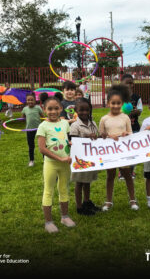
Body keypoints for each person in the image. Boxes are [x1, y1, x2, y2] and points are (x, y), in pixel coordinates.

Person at [37, 93, 75, 233]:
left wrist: (71, 144)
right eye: (50, 109)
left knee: (64, 189)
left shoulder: (64, 123)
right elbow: (42, 149)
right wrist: (59, 159)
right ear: (44, 109)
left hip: (65, 164)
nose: (53, 112)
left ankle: (64, 217)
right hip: (51, 164)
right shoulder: (43, 126)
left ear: (61, 109)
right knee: (48, 191)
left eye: (56, 108)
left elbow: (65, 139)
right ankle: (48, 222)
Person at [99, 84, 139, 211]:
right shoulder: (104, 119)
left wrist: (126, 134)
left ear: (122, 104)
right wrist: (108, 136)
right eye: (113, 103)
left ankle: (132, 200)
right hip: (110, 153)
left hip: (124, 152)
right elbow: (101, 136)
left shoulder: (125, 117)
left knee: (127, 175)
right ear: (108, 103)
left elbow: (131, 133)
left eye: (118, 103)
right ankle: (109, 201)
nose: (116, 106)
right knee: (110, 176)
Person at [70, 98, 100, 216]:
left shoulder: (93, 123)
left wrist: (100, 137)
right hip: (79, 159)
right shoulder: (75, 125)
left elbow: (96, 139)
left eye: (87, 110)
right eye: (81, 110)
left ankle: (87, 202)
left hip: (90, 157)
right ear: (76, 110)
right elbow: (73, 141)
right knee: (79, 182)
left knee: (87, 181)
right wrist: (87, 137)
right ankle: (79, 207)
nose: (84, 112)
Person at [119, 74, 143, 180]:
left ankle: (131, 171)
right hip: (120, 128)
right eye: (126, 83)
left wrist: (132, 111)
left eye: (131, 82)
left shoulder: (136, 97)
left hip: (134, 127)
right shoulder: (118, 96)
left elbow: (140, 110)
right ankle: (121, 172)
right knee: (122, 150)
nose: (129, 85)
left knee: (133, 151)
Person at [22, 93, 45, 167]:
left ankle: (45, 160)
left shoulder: (38, 108)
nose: (30, 101)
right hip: (29, 130)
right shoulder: (25, 109)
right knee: (31, 145)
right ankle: (31, 160)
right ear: (26, 101)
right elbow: (23, 117)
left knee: (42, 145)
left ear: (35, 100)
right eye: (28, 100)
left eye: (32, 100)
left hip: (39, 129)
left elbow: (43, 117)